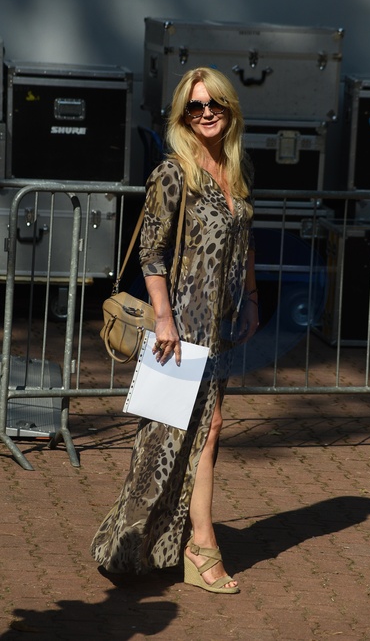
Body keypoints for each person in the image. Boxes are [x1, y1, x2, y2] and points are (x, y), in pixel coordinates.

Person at [91, 67, 259, 594]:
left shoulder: (235, 169)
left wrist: (252, 297)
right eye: (195, 106)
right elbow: (151, 252)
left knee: (210, 428)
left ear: (229, 109)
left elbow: (245, 241)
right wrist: (163, 318)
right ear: (183, 117)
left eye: (215, 104)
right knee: (163, 439)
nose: (206, 113)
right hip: (180, 329)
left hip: (219, 327)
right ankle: (134, 546)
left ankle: (194, 543)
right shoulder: (172, 172)